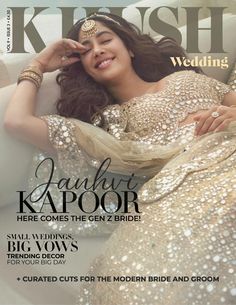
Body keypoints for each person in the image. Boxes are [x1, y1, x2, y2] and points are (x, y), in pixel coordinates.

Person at [4, 12, 236, 305]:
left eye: (105, 40)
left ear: (129, 47)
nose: (97, 50)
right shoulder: (107, 126)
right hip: (189, 188)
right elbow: (17, 122)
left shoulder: (186, 77)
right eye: (85, 50)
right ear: (84, 68)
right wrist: (37, 64)